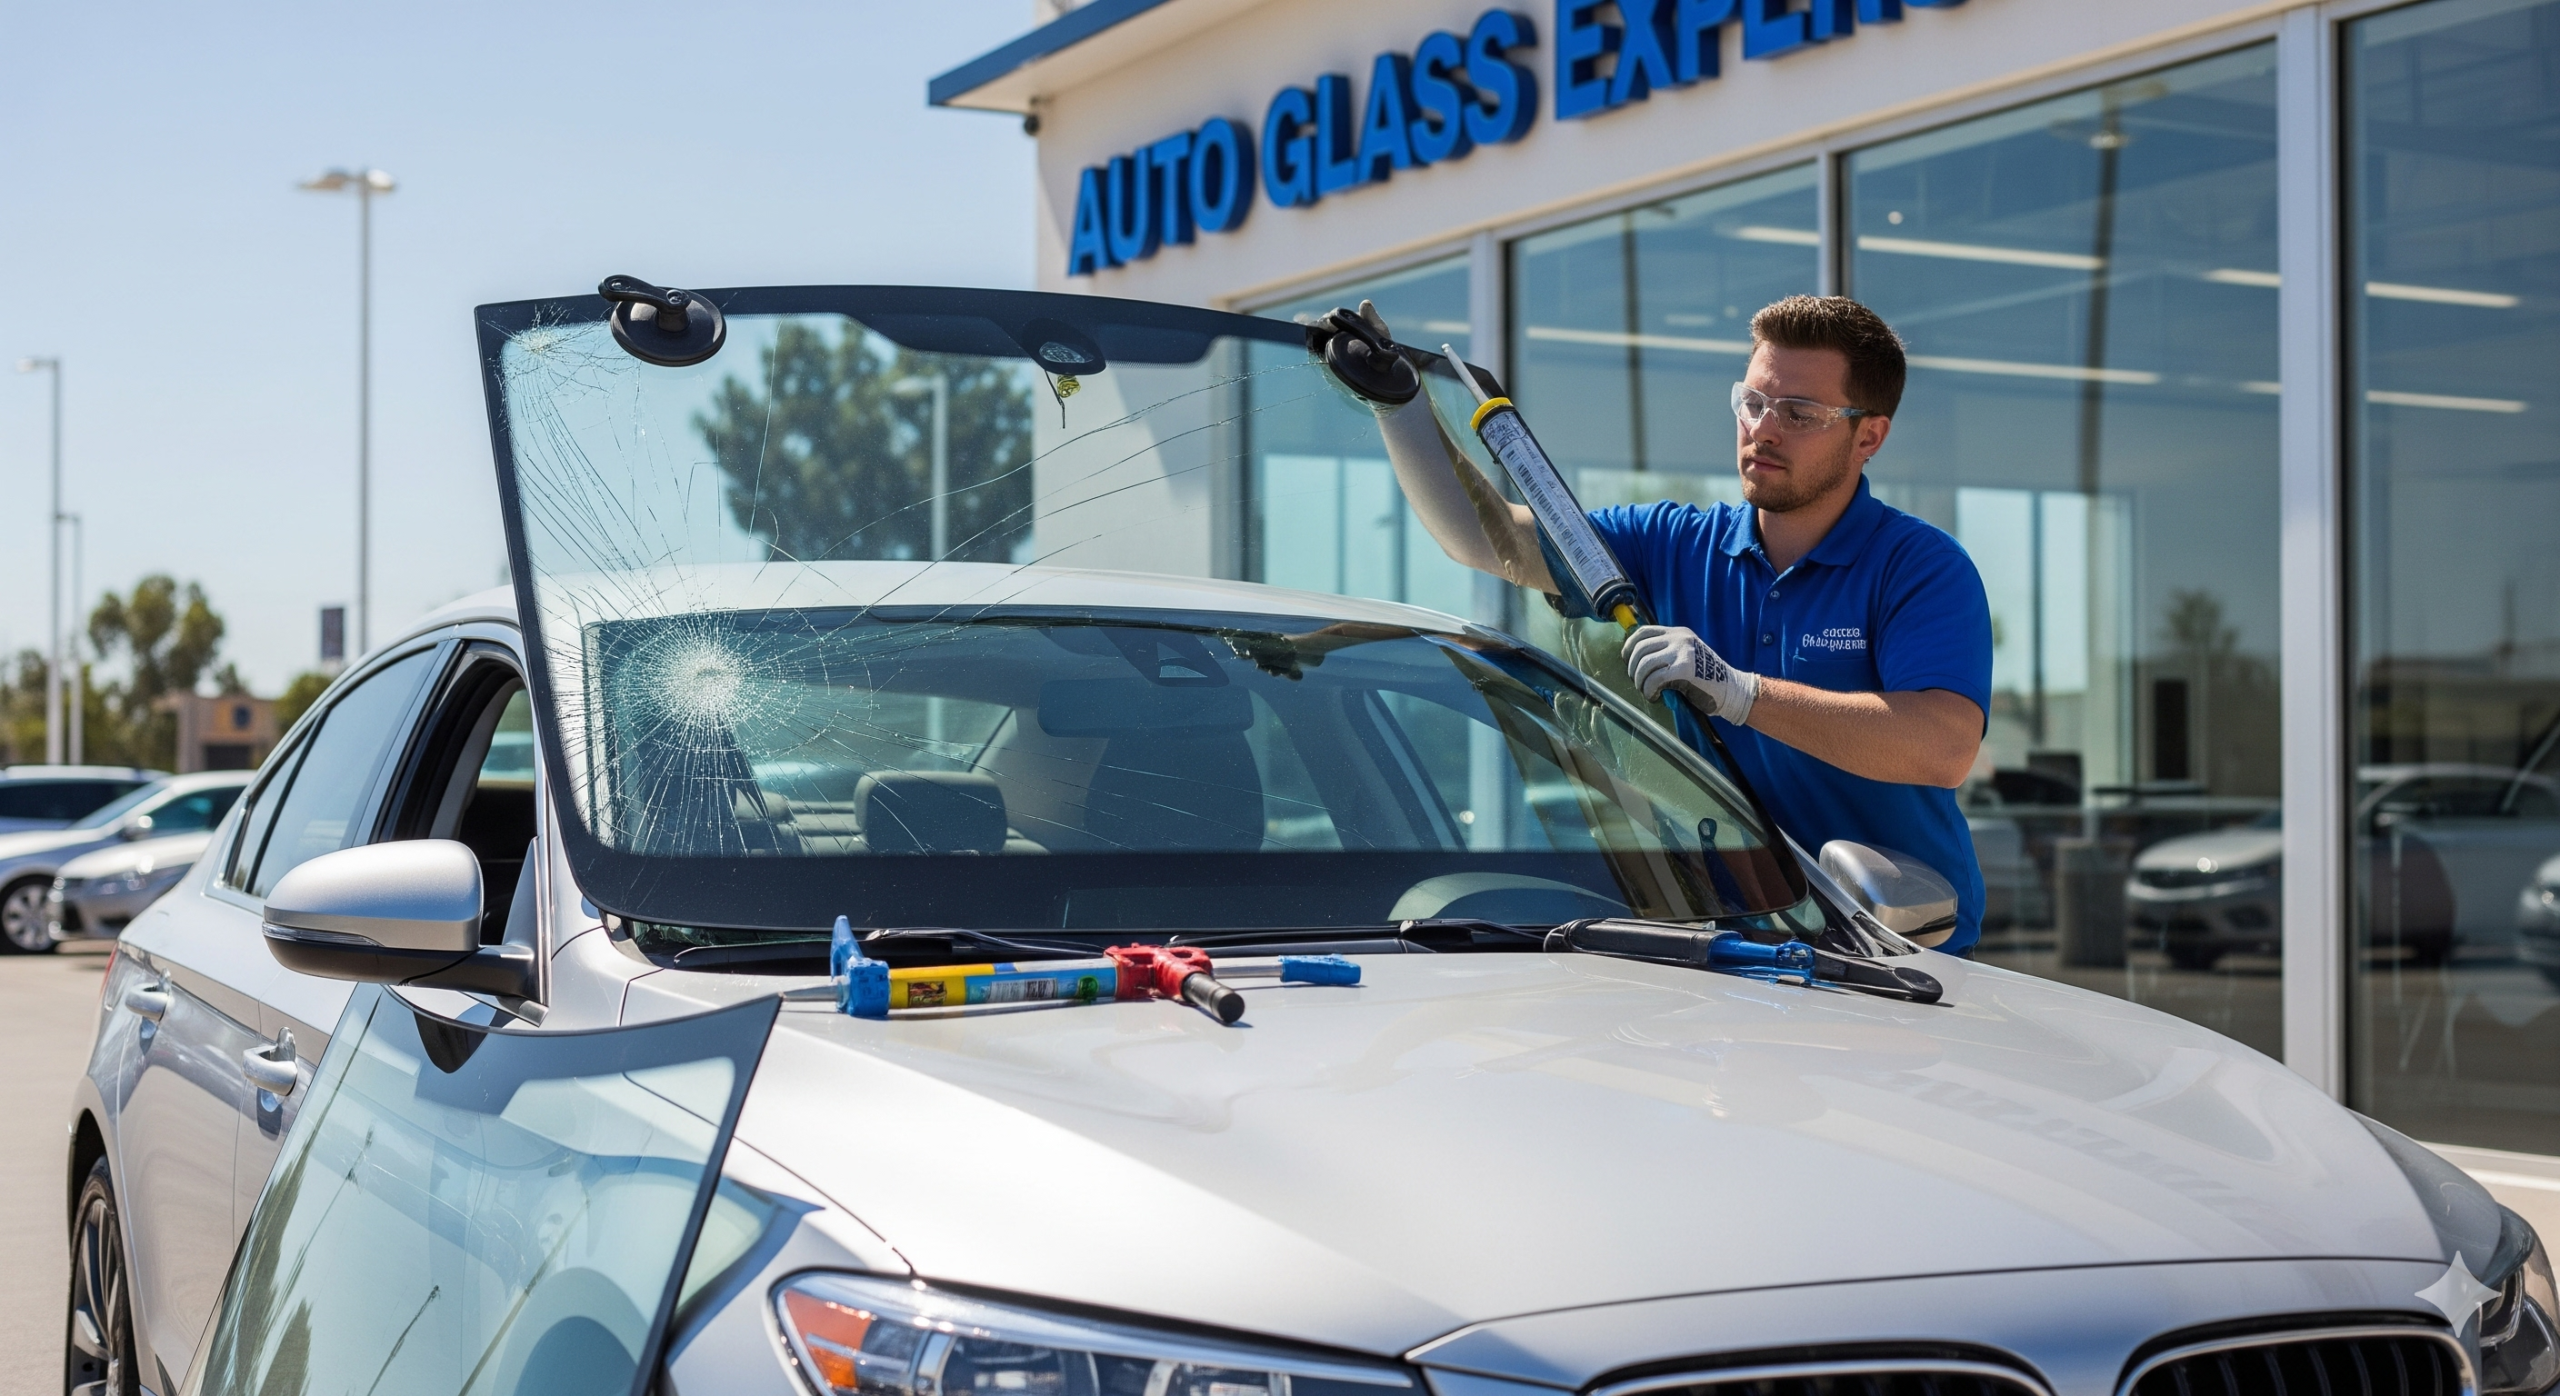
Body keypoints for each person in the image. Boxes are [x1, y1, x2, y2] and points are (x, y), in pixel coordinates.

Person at [1316, 294, 1994, 952]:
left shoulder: (1919, 567)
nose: (1763, 427)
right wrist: (1401, 407)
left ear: (1868, 435)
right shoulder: (1670, 543)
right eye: (1752, 402)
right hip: (1732, 944)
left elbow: (1942, 747)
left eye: (1800, 412)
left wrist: (1742, 695)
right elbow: (1485, 536)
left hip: (1894, 951)